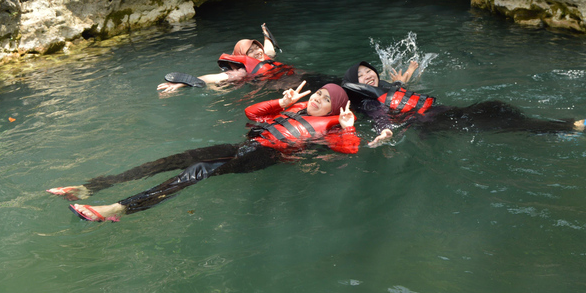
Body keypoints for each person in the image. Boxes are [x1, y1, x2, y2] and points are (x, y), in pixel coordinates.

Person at [48, 82, 358, 222]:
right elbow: (252, 113)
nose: (317, 99)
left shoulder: (331, 126)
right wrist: (282, 103)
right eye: (317, 94)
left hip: (266, 156)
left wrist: (346, 127)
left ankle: (119, 209)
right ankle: (92, 186)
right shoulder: (294, 110)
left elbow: (348, 151)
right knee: (171, 160)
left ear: (335, 107)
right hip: (244, 146)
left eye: (325, 99)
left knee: (197, 172)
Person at [342, 60, 586, 147]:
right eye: (362, 76)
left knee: (496, 107)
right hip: (434, 122)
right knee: (501, 121)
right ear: (356, 84)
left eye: (369, 71)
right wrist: (385, 131)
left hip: (445, 113)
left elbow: (401, 94)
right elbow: (380, 116)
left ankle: (558, 128)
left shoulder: (388, 88)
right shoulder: (368, 103)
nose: (369, 76)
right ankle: (572, 127)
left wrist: (405, 79)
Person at [157, 23, 294, 93]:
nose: (258, 52)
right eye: (251, 51)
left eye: (257, 47)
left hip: (292, 79)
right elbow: (214, 78)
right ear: (243, 56)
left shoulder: (265, 57)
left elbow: (269, 49)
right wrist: (183, 83)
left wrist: (265, 33)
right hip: (280, 87)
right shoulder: (242, 71)